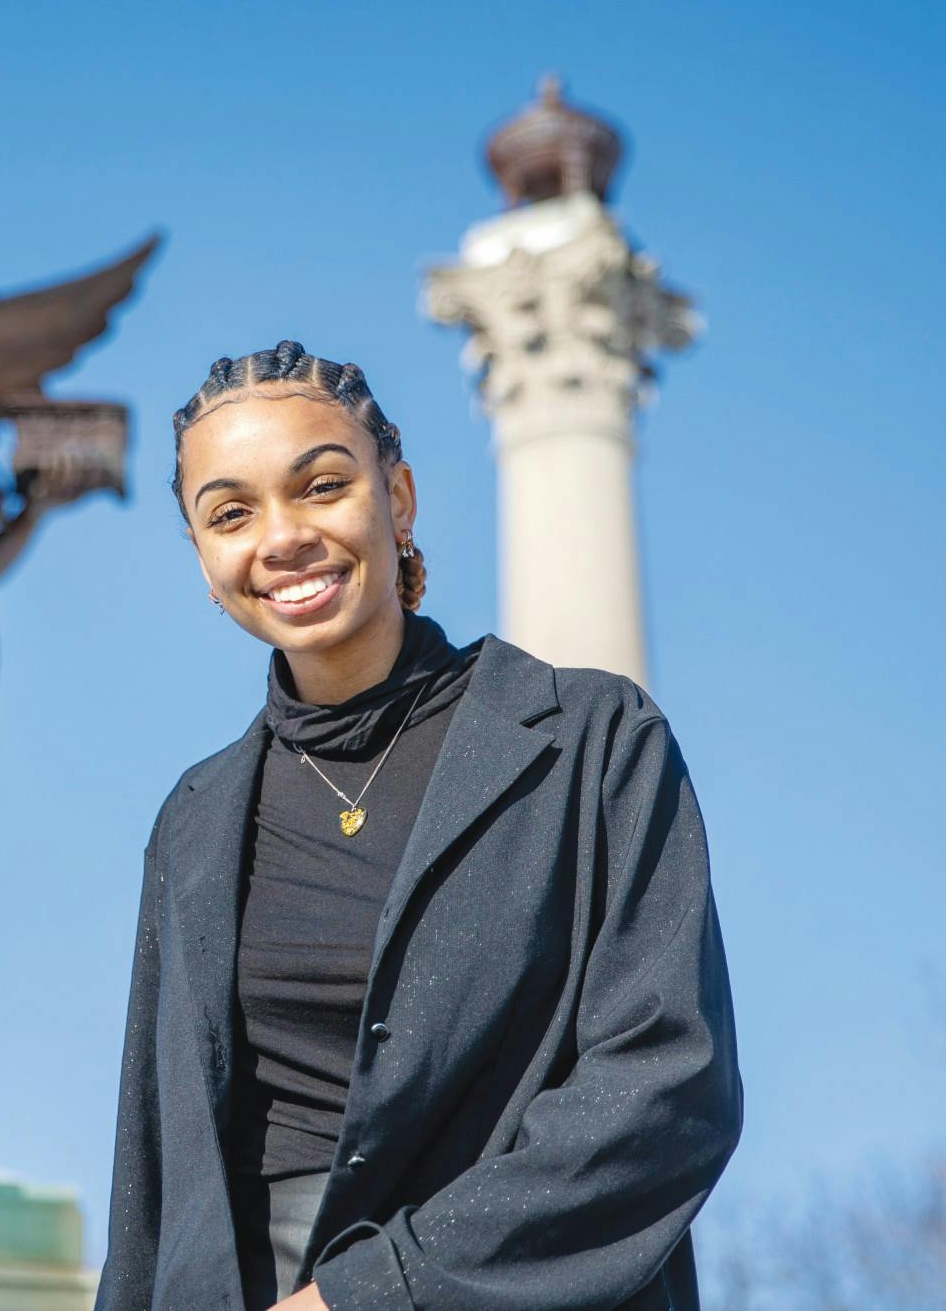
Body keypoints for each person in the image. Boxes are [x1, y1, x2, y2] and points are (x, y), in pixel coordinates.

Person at [94, 342, 742, 1311]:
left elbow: (665, 1086)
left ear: (395, 498)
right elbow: (151, 1176)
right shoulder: (192, 821)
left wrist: (372, 1293)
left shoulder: (590, 740)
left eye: (319, 486)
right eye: (229, 512)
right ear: (201, 558)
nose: (280, 536)